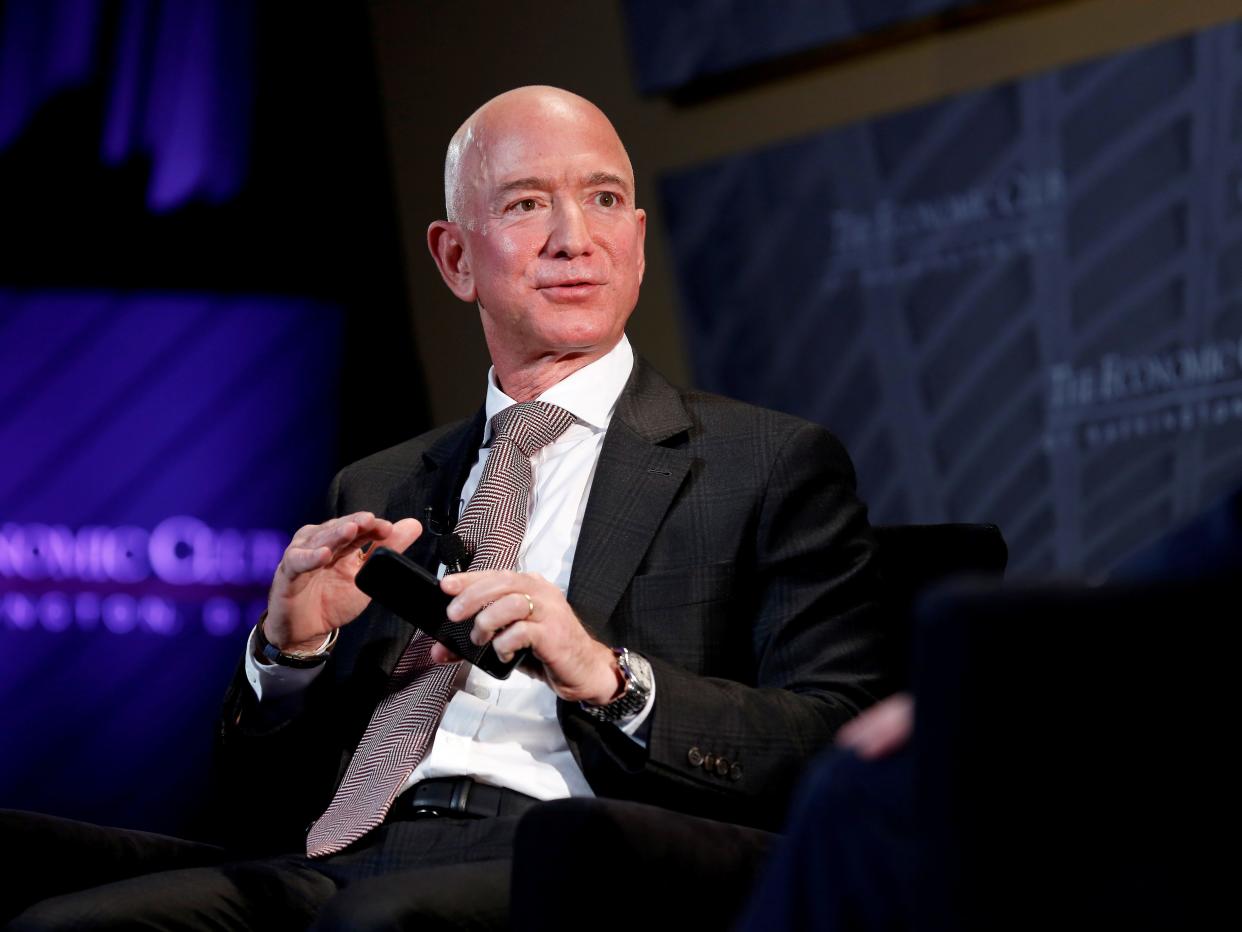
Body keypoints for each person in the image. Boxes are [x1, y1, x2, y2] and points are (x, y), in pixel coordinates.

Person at [5, 85, 889, 930]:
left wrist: (609, 676)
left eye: (605, 198)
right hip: (342, 859)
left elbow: (840, 741)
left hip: (568, 855)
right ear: (456, 258)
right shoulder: (378, 486)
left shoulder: (766, 463)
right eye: (526, 204)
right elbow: (256, 802)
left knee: (379, 923)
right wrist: (290, 656)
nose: (574, 238)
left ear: (640, 237)